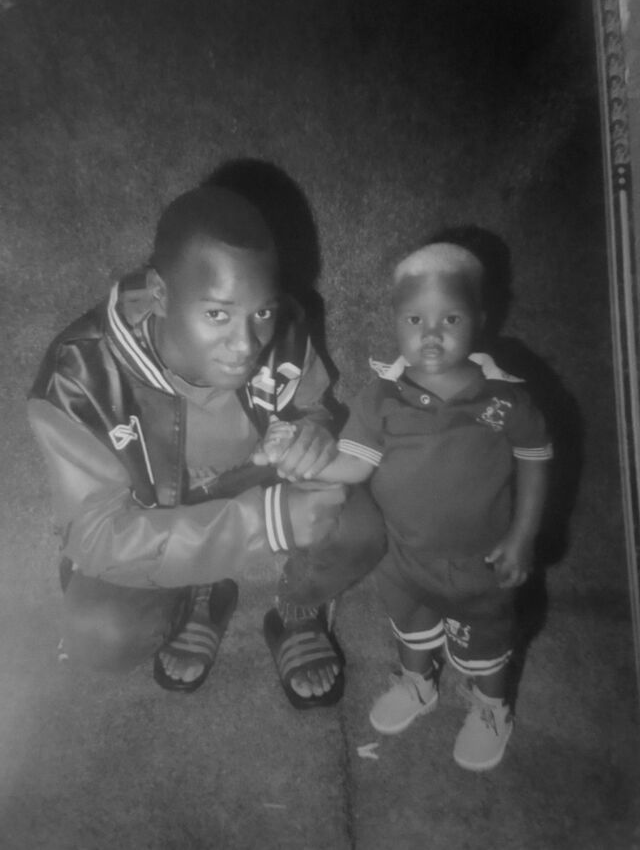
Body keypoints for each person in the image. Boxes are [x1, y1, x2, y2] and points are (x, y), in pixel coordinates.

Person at [28, 185, 385, 707]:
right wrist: (267, 523)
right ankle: (193, 592)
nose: (246, 345)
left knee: (358, 528)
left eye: (260, 313)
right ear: (160, 293)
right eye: (217, 314)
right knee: (101, 634)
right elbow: (96, 536)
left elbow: (311, 405)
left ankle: (296, 606)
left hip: (253, 474)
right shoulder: (78, 380)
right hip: (153, 509)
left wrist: (311, 432)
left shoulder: (283, 326)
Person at [255, 241, 552, 769]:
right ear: (395, 321)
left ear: (480, 319)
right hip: (403, 555)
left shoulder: (506, 398)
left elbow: (535, 460)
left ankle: (491, 707)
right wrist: (299, 459)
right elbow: (353, 465)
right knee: (411, 628)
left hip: (481, 561)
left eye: (450, 318)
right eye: (415, 319)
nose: (431, 334)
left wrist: (523, 536)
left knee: (486, 646)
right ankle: (417, 682)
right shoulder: (381, 398)